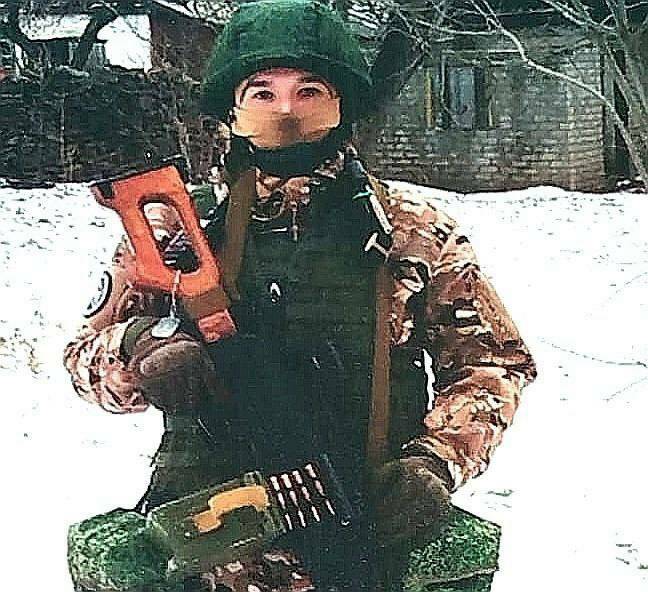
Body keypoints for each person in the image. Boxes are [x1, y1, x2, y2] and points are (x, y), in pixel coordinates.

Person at [63, 1, 537, 590]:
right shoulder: (178, 230)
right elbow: (82, 359)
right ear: (232, 111)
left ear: (342, 106)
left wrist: (437, 460)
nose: (285, 110)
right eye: (262, 93)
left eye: (309, 91)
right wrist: (141, 348)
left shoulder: (411, 230)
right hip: (202, 545)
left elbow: (494, 364)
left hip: (362, 526)